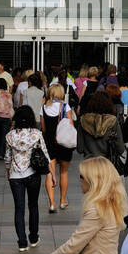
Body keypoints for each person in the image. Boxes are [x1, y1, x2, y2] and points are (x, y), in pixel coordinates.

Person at [5, 105, 51, 251]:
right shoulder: (36, 134)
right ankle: (33, 237)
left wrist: (8, 171)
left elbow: (7, 157)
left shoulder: (10, 136)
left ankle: (22, 242)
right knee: (33, 205)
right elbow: (45, 153)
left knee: (19, 208)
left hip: (15, 175)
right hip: (32, 174)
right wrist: (52, 174)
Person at [41, 83, 76, 211]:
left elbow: (43, 128)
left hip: (49, 143)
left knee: (50, 173)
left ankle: (51, 203)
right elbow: (70, 125)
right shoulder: (65, 107)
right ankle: (62, 200)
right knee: (64, 172)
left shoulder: (43, 108)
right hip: (64, 143)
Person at [76, 88, 125, 169]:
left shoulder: (83, 121)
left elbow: (80, 149)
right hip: (107, 165)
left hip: (88, 165)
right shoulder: (113, 121)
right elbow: (121, 149)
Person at [0, 77, 14, 159]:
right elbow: (10, 107)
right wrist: (12, 118)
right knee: (4, 135)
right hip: (6, 117)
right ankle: (2, 153)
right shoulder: (8, 95)